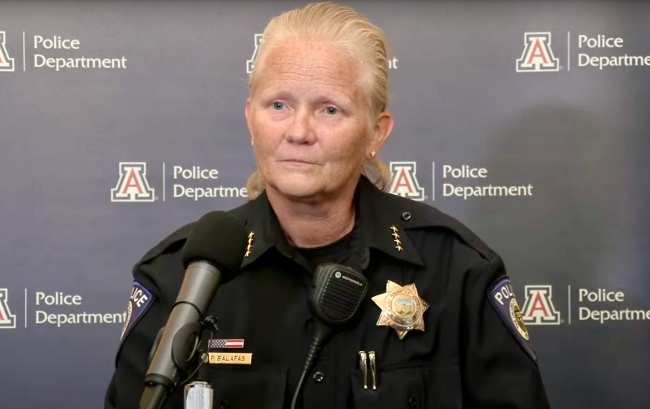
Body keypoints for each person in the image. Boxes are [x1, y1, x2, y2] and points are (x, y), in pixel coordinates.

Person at [105, 2, 551, 408]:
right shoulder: (179, 275)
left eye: (329, 110)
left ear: (376, 133)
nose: (298, 131)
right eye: (278, 104)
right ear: (250, 118)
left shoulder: (456, 272)